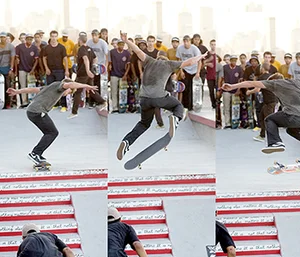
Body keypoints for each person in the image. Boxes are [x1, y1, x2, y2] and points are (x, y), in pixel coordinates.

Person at [116, 31, 206, 160]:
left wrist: (126, 40)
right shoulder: (169, 64)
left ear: (157, 56)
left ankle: (127, 142)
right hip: (159, 98)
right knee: (178, 105)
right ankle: (175, 119)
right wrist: (200, 56)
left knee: (143, 124)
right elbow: (190, 62)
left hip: (144, 99)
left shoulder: (149, 60)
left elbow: (137, 51)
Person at [223, 75, 300, 155]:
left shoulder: (275, 83)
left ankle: (275, 142)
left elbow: (250, 83)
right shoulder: (296, 82)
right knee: (292, 131)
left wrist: (233, 86)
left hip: (295, 116)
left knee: (269, 119)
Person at [7, 79, 99, 165]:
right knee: (52, 132)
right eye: (70, 92)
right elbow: (69, 84)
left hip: (31, 111)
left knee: (49, 132)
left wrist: (17, 91)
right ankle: (35, 153)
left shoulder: (50, 87)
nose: (68, 94)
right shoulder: (60, 86)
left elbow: (32, 89)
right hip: (37, 111)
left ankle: (37, 153)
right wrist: (86, 86)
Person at [69, 33, 107, 119]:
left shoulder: (81, 49)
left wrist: (88, 70)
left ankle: (74, 112)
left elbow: (85, 59)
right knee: (91, 89)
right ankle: (103, 102)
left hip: (83, 74)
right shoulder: (90, 48)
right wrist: (94, 66)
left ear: (80, 40)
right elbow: (95, 58)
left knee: (78, 91)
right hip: (89, 74)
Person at [13, 34, 39, 108]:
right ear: (26, 39)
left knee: (30, 86)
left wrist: (33, 70)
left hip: (31, 70)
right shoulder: (19, 47)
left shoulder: (34, 48)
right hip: (22, 69)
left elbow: (36, 60)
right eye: (28, 39)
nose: (29, 40)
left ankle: (31, 101)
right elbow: (16, 59)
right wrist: (16, 70)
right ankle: (24, 102)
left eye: (31, 39)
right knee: (23, 86)